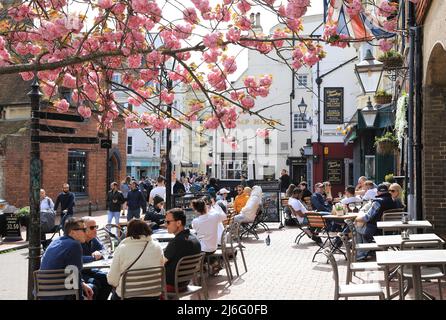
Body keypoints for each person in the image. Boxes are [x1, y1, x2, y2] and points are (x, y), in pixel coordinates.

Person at [107, 219, 164, 300]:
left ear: (129, 231)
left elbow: (112, 280)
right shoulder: (157, 247)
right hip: (153, 294)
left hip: (127, 296)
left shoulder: (122, 248)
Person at [40, 217, 94, 300]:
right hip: (62, 295)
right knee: (95, 287)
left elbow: (72, 272)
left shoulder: (56, 241)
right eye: (83, 229)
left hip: (43, 292)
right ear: (72, 232)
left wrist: (82, 283)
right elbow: (74, 278)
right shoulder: (74, 245)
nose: (86, 232)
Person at [354, 184, 398, 260]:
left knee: (357, 227)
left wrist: (356, 219)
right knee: (362, 228)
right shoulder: (394, 202)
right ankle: (366, 252)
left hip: (375, 230)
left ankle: (361, 254)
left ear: (377, 193)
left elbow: (367, 217)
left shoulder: (378, 202)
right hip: (391, 230)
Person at [164, 209, 201, 293]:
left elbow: (160, 262)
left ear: (178, 223)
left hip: (170, 285)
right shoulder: (195, 238)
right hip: (184, 283)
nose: (166, 225)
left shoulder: (176, 242)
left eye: (168, 222)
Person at [81, 217, 112, 300]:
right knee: (96, 283)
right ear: (83, 229)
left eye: (96, 227)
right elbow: (77, 258)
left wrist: (100, 253)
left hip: (90, 270)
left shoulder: (93, 238)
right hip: (79, 274)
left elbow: (104, 250)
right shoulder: (77, 241)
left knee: (107, 279)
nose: (95, 230)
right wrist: (93, 258)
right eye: (92, 228)